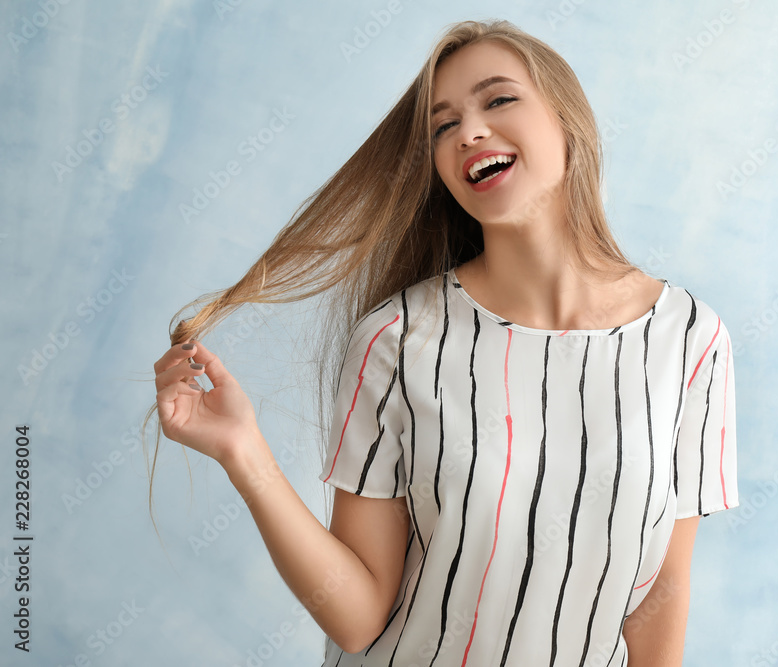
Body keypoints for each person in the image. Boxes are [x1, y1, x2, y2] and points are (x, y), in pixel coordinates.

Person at [149, 18, 738, 667]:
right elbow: (358, 617)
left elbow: (662, 598)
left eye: (498, 99)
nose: (469, 132)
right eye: (442, 125)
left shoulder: (690, 340)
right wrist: (244, 452)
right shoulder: (396, 341)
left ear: (569, 122)